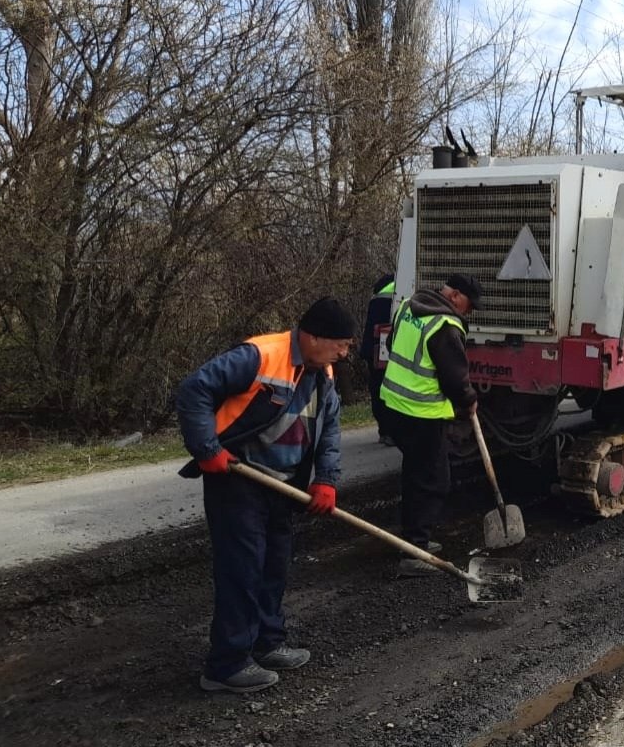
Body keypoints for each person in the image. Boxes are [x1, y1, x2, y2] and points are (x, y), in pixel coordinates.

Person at [176, 296, 355, 694]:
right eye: (340, 344)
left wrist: (326, 480)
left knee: (274, 565)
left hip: (282, 483)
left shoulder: (323, 373)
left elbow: (329, 429)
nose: (344, 353)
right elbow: (194, 390)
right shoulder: (259, 356)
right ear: (313, 336)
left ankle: (266, 643)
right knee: (242, 570)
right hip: (238, 478)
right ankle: (226, 665)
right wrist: (207, 449)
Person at [379, 273, 482, 575]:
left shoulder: (408, 306)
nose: (468, 313)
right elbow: (455, 379)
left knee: (415, 473)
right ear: (455, 296)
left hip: (393, 407)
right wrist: (469, 400)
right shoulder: (444, 325)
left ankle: (412, 541)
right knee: (434, 480)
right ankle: (415, 551)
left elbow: (392, 344)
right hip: (421, 413)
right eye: (469, 306)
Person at [361, 273, 396, 446]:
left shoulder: (382, 288)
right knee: (389, 389)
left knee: (377, 388)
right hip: (387, 345)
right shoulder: (400, 286)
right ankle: (391, 432)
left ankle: (384, 431)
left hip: (373, 347)